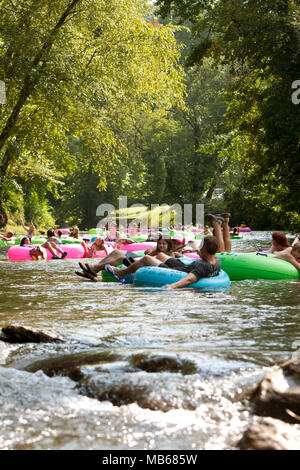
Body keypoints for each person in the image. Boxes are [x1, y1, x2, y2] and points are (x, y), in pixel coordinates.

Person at [104, 235, 221, 289]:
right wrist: (198, 251)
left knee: (146, 259)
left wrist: (172, 286)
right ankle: (135, 263)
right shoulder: (216, 261)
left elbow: (190, 279)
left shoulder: (202, 266)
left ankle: (122, 272)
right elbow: (204, 258)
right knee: (159, 254)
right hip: (184, 265)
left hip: (175, 272)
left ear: (205, 249)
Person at [75, 235, 176, 281]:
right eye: (160, 243)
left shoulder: (170, 254)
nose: (161, 246)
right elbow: (147, 252)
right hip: (140, 258)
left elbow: (169, 263)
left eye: (164, 244)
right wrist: (157, 249)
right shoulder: (156, 249)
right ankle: (93, 269)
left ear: (169, 245)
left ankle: (93, 269)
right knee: (116, 252)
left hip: (143, 263)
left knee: (121, 257)